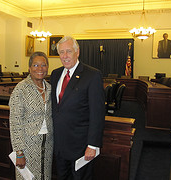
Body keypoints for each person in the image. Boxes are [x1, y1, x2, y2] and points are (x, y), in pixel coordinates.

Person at [50, 36, 105, 180]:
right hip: (59, 145)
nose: (65, 56)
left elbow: (97, 113)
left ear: (77, 52)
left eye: (69, 51)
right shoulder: (55, 74)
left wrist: (92, 145)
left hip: (81, 147)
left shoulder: (92, 75)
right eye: (61, 52)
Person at [9, 51, 53, 180]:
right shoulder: (21, 89)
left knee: (45, 177)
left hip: (48, 143)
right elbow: (15, 122)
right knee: (28, 178)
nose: (40, 69)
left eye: (43, 65)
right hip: (27, 145)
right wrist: (19, 152)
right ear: (29, 68)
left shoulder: (50, 88)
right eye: (35, 65)